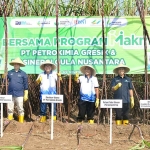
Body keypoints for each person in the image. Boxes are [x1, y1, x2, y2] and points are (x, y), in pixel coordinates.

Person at [7, 57, 28, 123]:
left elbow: (25, 84)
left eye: (17, 64)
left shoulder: (23, 73)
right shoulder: (9, 72)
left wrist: (26, 92)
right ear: (13, 65)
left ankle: (21, 122)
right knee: (10, 108)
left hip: (19, 94)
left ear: (19, 65)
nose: (16, 65)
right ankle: (10, 121)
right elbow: (4, 80)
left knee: (20, 108)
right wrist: (3, 76)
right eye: (15, 64)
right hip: (10, 93)